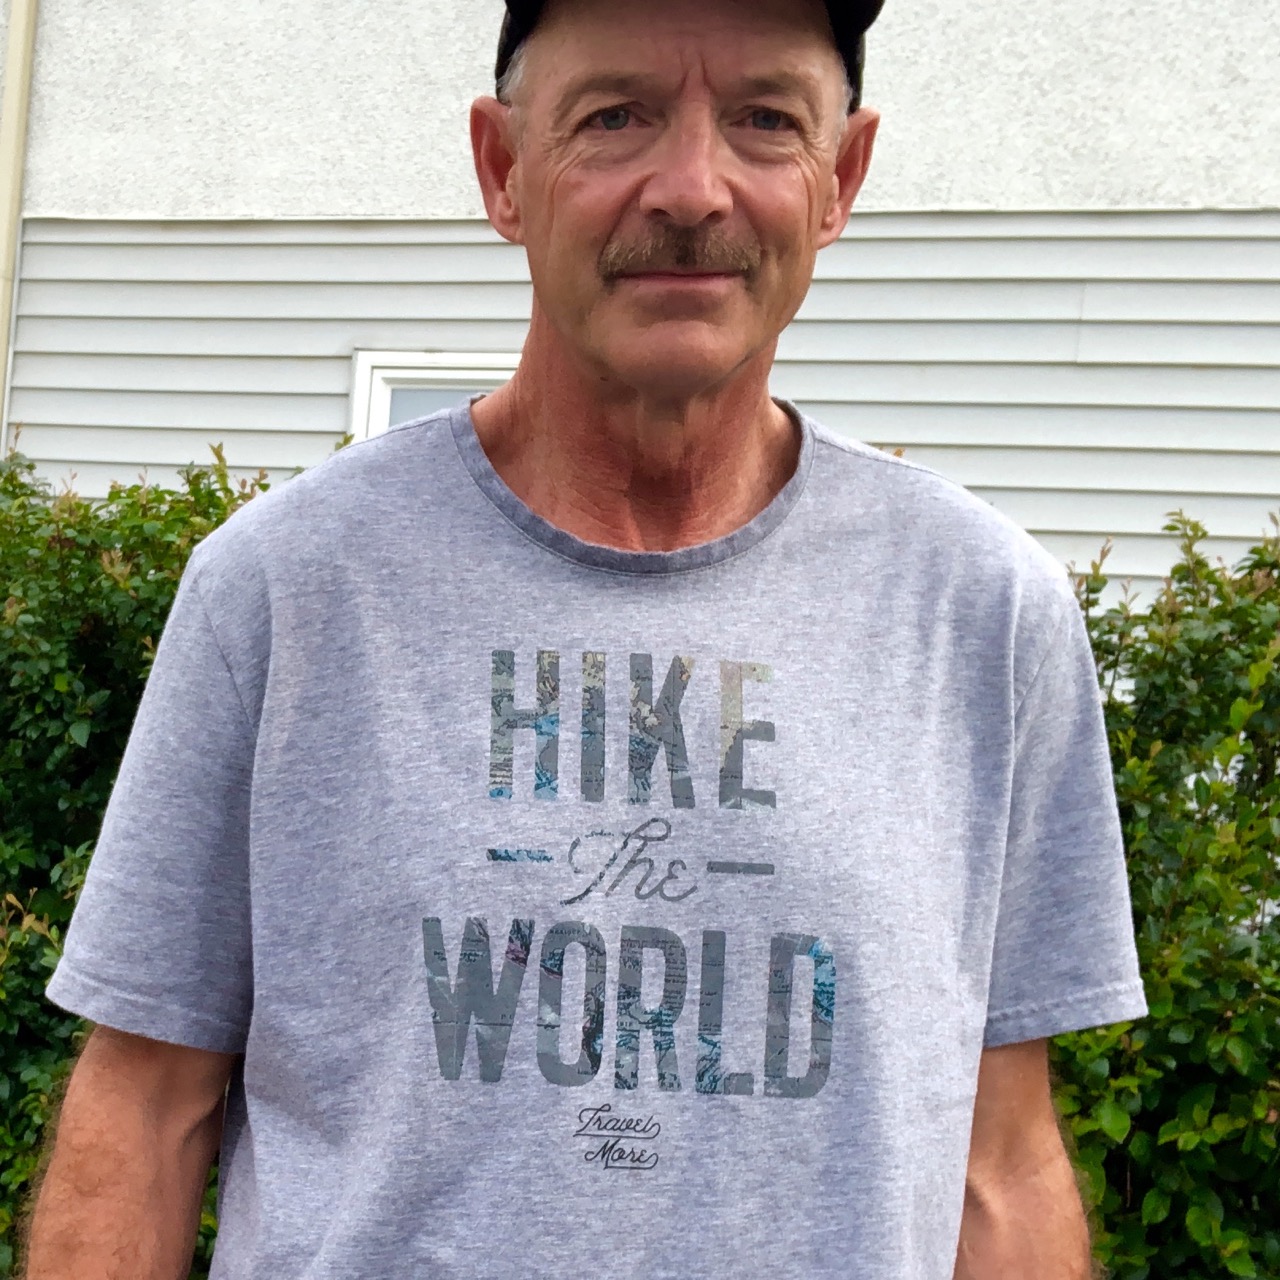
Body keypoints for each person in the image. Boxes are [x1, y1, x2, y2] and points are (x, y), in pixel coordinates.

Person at [26, 0, 1148, 1276]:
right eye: (614, 116)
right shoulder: (286, 589)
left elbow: (998, 1159)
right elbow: (145, 1108)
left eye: (764, 119)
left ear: (839, 178)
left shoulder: (980, 613)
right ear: (503, 168)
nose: (690, 188)